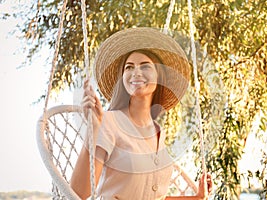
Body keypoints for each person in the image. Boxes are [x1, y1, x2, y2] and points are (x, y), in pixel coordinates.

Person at [70, 27, 213, 200]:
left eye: (145, 66)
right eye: (129, 67)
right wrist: (93, 130)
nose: (136, 72)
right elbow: (79, 193)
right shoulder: (108, 122)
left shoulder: (158, 132)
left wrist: (197, 197)